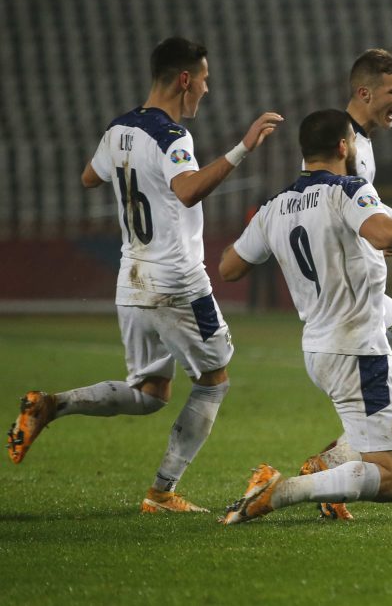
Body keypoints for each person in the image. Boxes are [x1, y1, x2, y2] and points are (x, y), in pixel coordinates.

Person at [5, 37, 282, 513]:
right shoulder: (173, 137)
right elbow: (188, 190)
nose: (207, 89)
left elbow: (89, 177)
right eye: (204, 79)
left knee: (151, 393)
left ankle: (53, 404)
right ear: (184, 79)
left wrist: (131, 171)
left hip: (131, 278)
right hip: (177, 280)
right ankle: (162, 491)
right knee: (214, 380)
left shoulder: (118, 128)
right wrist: (242, 148)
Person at [217, 109, 392, 523]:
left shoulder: (275, 206)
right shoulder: (348, 190)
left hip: (324, 345)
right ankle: (281, 490)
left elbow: (229, 268)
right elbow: (384, 233)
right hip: (355, 350)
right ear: (344, 146)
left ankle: (329, 466)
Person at [296, 49, 392, 520]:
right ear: (364, 92)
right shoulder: (341, 144)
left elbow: (370, 212)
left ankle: (336, 462)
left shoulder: (359, 143)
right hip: (351, 295)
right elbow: (341, 208)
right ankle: (340, 467)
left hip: (367, 287)